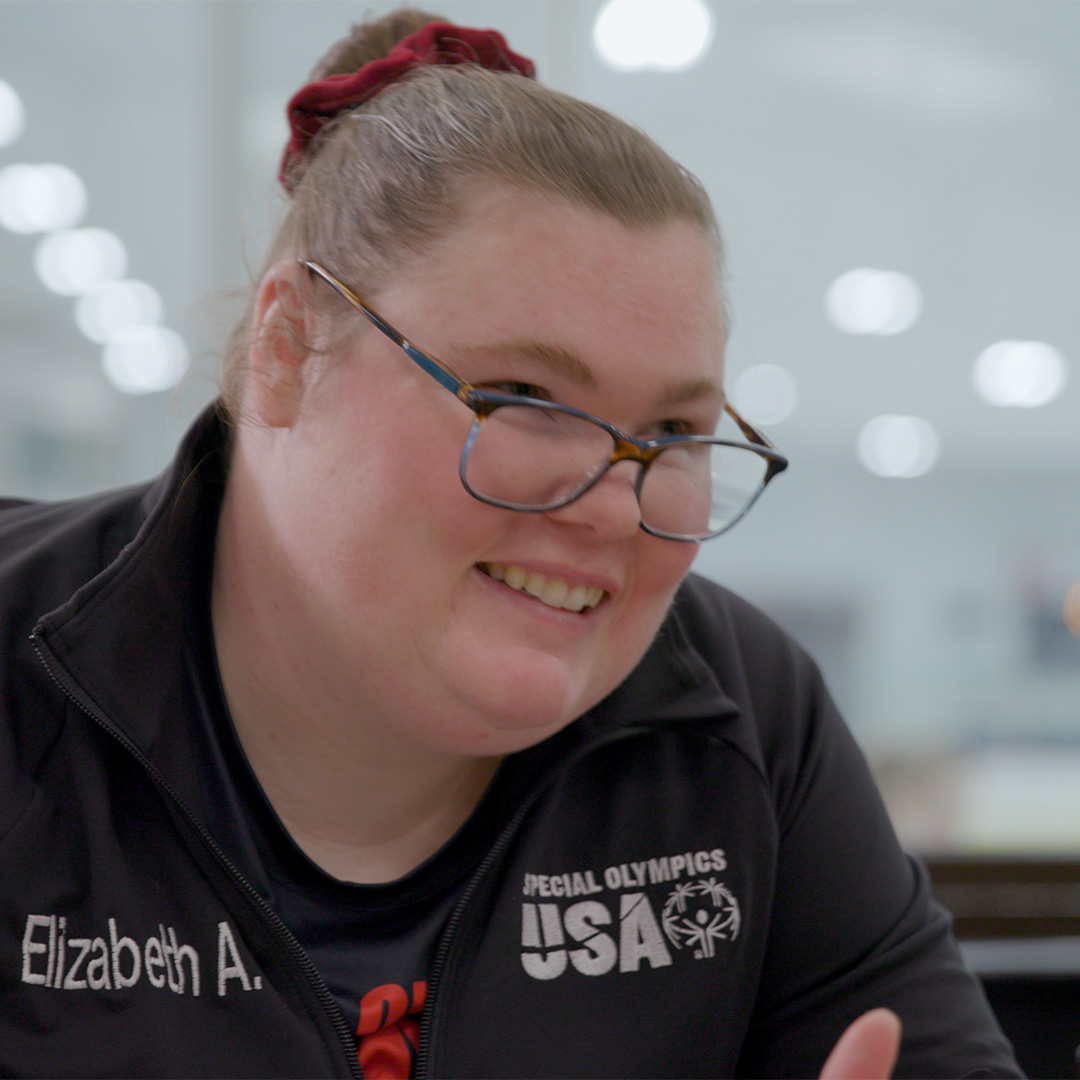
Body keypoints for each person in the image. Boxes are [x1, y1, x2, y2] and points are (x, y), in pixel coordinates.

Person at [0, 10, 1021, 1079]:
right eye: (527, 398)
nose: (614, 507)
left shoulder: (741, 722)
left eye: (674, 434)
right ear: (290, 352)